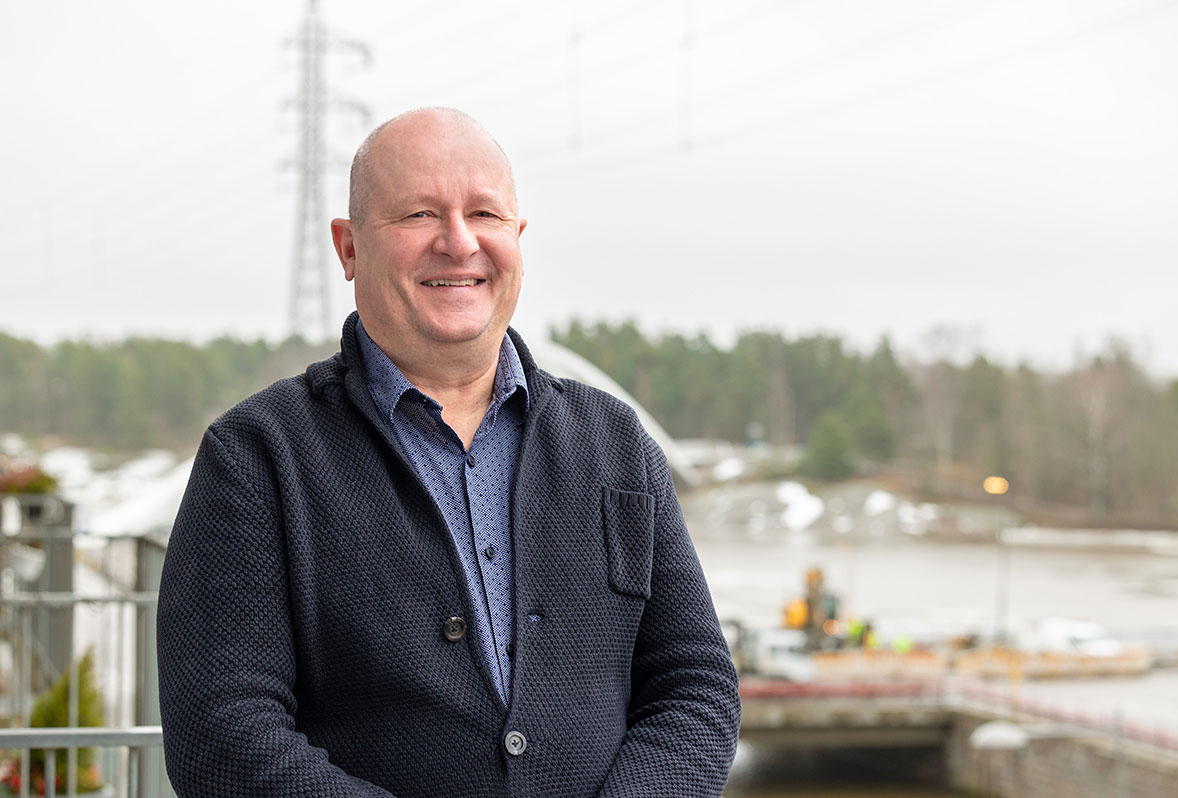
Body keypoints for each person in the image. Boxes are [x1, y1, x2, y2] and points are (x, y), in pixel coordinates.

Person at [157, 108, 740, 798]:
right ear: (349, 248)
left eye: (485, 214)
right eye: (419, 214)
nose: (459, 242)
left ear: (517, 238)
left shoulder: (617, 444)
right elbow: (222, 734)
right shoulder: (256, 457)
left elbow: (695, 686)